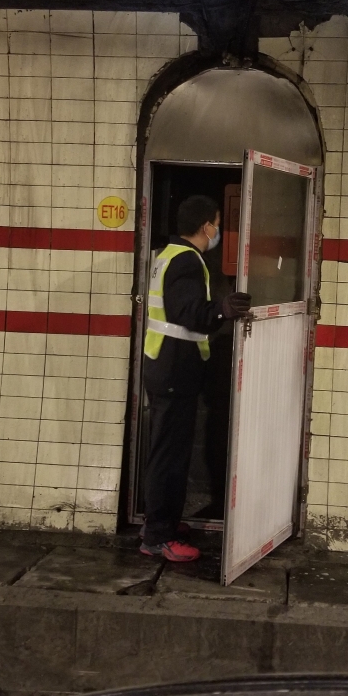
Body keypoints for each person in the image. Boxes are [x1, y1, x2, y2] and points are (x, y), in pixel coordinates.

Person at [140, 194, 251, 562]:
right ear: (206, 227)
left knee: (167, 451)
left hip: (165, 366)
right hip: (173, 370)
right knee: (169, 456)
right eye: (217, 224)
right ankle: (158, 535)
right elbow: (186, 312)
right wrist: (222, 310)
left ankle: (162, 524)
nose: (218, 230)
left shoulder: (168, 254)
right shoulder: (187, 260)